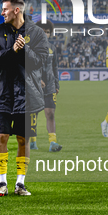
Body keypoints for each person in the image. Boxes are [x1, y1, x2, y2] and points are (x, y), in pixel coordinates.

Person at [0, 0, 48, 197]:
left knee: (23, 139)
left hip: (27, 95)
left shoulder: (37, 33)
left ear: (16, 10)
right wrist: (12, 51)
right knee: (1, 136)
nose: (2, 12)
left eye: (5, 9)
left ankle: (20, 184)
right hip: (2, 93)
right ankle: (2, 182)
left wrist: (24, 50)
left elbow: (40, 61)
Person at [29, 19, 62, 152]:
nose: (45, 34)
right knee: (33, 114)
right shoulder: (30, 46)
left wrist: (56, 84)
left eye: (47, 32)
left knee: (50, 114)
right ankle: (32, 142)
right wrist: (37, 80)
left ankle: (53, 142)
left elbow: (54, 67)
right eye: (43, 31)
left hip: (50, 86)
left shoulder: (52, 48)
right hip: (34, 87)